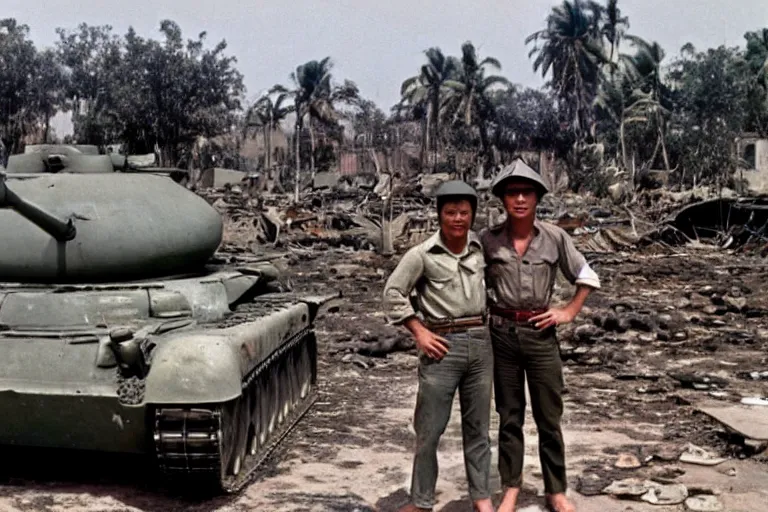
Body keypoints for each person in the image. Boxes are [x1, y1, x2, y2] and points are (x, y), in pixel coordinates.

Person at [480, 160, 600, 512]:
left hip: (540, 334)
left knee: (549, 416)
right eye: (512, 193)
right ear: (502, 199)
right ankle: (512, 488)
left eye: (527, 192)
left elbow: (586, 276)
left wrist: (567, 312)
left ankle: (555, 489)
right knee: (509, 416)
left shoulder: (555, 237)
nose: (519, 199)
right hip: (501, 335)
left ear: (537, 198)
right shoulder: (487, 240)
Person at [383, 180, 494, 512]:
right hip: (441, 347)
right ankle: (421, 501)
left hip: (480, 343)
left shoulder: (480, 250)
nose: (457, 219)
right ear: (439, 215)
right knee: (428, 430)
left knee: (479, 430)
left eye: (464, 212)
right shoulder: (421, 255)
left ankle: (482, 498)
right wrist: (418, 332)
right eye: (450, 212)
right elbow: (392, 293)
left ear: (473, 214)